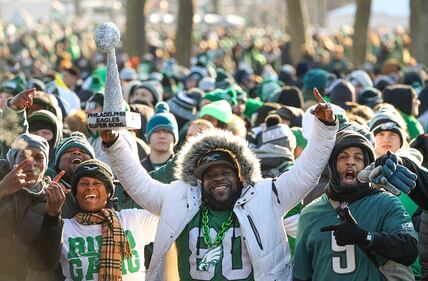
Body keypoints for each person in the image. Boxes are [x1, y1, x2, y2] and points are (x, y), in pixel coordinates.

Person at [100, 89, 338, 280]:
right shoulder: (179, 198)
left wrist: (325, 129)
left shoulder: (266, 195)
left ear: (240, 175)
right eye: (210, 174)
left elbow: (305, 174)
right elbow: (139, 184)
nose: (218, 179)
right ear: (200, 180)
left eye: (226, 172)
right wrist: (114, 144)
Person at [293, 130, 418, 281]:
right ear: (332, 164)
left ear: (366, 166)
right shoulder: (310, 213)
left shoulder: (386, 203)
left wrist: (364, 237)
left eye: (358, 158)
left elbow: (410, 250)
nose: (350, 162)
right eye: (343, 157)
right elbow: (301, 275)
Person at [59, 159, 158, 281]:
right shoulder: (63, 228)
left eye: (97, 183)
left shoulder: (134, 219)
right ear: (75, 194)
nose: (90, 187)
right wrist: (46, 203)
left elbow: (173, 217)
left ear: (108, 193)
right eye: (84, 183)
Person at [0, 133, 65, 280]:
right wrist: (2, 190)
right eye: (24, 155)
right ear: (12, 159)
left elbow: (45, 263)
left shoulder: (50, 198)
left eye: (39, 158)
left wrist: (53, 217)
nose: (31, 163)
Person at [141, 102, 178, 171]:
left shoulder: (182, 170)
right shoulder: (138, 170)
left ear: (175, 137)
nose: (162, 136)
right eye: (156, 131)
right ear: (148, 136)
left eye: (168, 131)